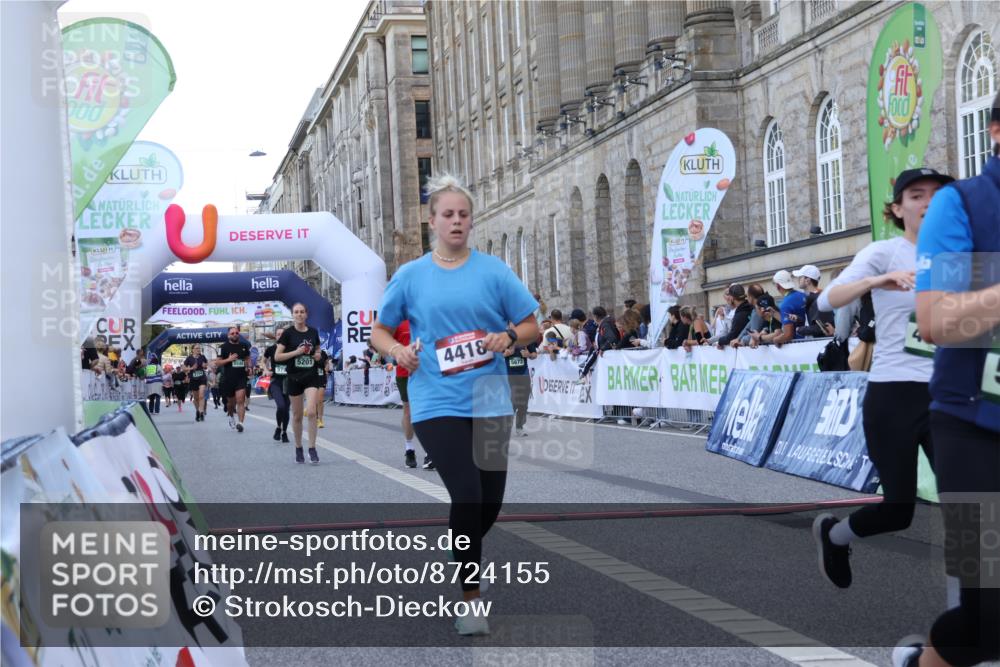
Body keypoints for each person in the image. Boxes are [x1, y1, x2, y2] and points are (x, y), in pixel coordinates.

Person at [369, 173, 539, 636]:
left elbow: (531, 326)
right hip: (434, 399)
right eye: (448, 214)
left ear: (471, 219)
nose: (457, 221)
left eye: (463, 214)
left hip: (490, 397)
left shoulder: (494, 271)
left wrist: (508, 336)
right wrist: (395, 351)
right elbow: (379, 331)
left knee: (489, 503)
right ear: (433, 221)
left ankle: (460, 549)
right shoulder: (411, 275)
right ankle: (470, 598)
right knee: (466, 494)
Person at [811, 168, 953, 606]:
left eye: (938, 195)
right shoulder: (885, 251)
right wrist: (876, 282)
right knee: (899, 510)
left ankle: (969, 616)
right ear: (897, 208)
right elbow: (825, 300)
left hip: (950, 395)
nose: (928, 202)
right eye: (916, 195)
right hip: (894, 393)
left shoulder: (965, 253)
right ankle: (835, 535)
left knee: (971, 504)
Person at [899, 95, 1000, 667]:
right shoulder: (961, 205)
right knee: (989, 609)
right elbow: (938, 321)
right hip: (970, 424)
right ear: (995, 132)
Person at [275, 304, 323, 463]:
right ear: (292, 315)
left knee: (311, 412)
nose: (299, 314)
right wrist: (297, 352)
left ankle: (312, 448)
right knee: (296, 415)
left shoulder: (313, 332)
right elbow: (277, 357)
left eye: (302, 312)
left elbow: (318, 350)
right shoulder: (288, 334)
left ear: (306, 314)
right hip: (294, 377)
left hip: (311, 375)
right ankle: (298, 447)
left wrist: (317, 355)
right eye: (296, 312)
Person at [392, 320, 431, 469]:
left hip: (426, 371)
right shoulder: (399, 322)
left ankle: (430, 453)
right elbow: (387, 346)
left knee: (427, 410)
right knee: (408, 411)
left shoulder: (426, 317)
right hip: (404, 373)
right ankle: (409, 449)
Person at [216, 326, 251, 432]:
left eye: (236, 333)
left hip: (241, 377)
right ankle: (231, 416)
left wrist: (249, 366)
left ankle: (240, 423)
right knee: (231, 404)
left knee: (241, 400)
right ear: (228, 335)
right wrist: (229, 359)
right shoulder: (222, 347)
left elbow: (247, 358)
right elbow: (217, 362)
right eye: (232, 333)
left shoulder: (244, 346)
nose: (235, 334)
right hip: (228, 379)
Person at [504, 330, 538, 437]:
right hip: (510, 373)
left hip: (523, 373)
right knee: (513, 401)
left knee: (523, 403)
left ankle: (519, 426)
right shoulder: (505, 337)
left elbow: (535, 354)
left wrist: (529, 354)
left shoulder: (526, 338)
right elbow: (496, 354)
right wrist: (506, 353)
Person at [793, 265, 836, 338]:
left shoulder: (818, 299)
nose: (798, 279)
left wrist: (800, 330)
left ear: (808, 280)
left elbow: (822, 327)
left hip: (823, 344)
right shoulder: (816, 297)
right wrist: (799, 320)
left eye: (800, 277)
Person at [263, 327, 291, 443]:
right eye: (278, 334)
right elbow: (263, 361)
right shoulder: (271, 349)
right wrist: (265, 370)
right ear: (275, 336)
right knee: (281, 406)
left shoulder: (291, 348)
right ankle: (278, 427)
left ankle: (284, 431)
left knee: (287, 409)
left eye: (282, 334)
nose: (280, 335)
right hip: (276, 382)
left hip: (289, 381)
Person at [184, 344, 210, 422]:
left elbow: (206, 365)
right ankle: (198, 411)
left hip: (202, 377)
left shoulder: (202, 357)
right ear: (193, 350)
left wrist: (205, 365)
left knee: (201, 395)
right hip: (193, 379)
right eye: (197, 348)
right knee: (196, 398)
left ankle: (201, 412)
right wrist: (192, 368)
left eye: (199, 348)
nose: (199, 349)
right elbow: (184, 368)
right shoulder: (189, 358)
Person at [313, 348, 331, 428]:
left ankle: (319, 419)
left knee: (320, 400)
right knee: (314, 400)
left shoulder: (323, 352)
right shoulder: (309, 351)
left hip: (321, 378)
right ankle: (313, 414)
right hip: (311, 378)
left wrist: (326, 369)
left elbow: (327, 362)